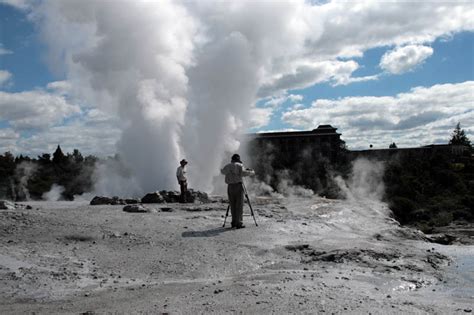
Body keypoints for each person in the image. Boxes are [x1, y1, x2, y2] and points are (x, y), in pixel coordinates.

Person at [220, 154, 254, 229]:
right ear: (238, 160)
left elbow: (222, 172)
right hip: (238, 186)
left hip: (230, 187)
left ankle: (233, 222)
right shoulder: (239, 165)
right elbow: (244, 173)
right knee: (239, 204)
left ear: (232, 160)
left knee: (232, 204)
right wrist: (251, 171)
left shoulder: (227, 165)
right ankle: (239, 223)